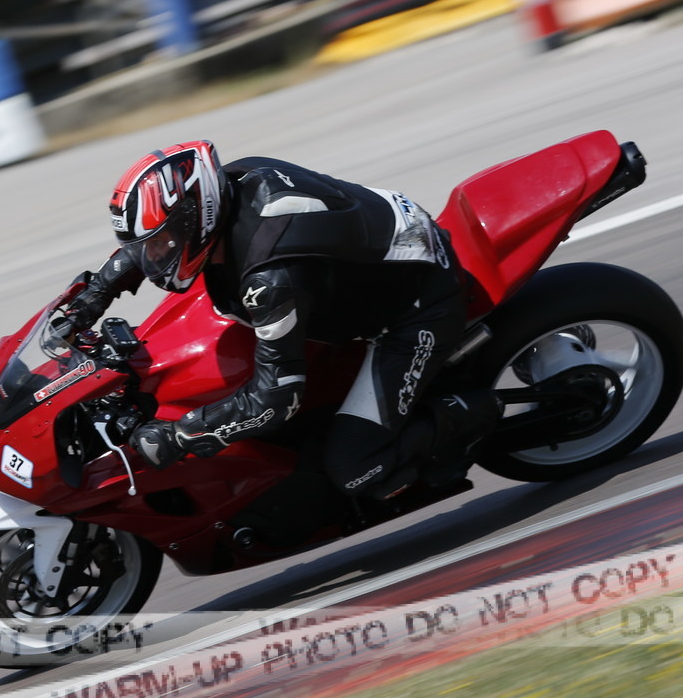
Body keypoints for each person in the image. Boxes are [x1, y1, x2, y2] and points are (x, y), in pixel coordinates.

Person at [63, 139, 498, 500]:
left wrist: (182, 436)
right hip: (379, 251)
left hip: (418, 306)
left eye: (161, 243)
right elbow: (157, 241)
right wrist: (95, 294)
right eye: (149, 246)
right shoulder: (232, 183)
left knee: (354, 467)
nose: (154, 256)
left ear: (197, 217)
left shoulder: (270, 280)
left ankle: (470, 414)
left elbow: (276, 399)